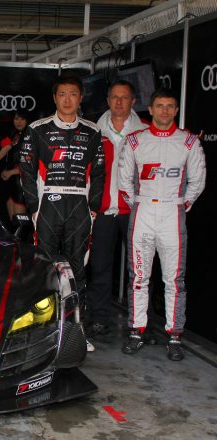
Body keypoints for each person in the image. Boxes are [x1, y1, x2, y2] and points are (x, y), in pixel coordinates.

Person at [118, 88, 205, 361]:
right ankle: (136, 331)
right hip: (143, 212)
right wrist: (139, 204)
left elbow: (198, 181)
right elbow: (124, 181)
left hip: (172, 213)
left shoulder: (189, 141)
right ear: (151, 109)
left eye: (169, 106)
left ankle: (174, 335)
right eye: (160, 106)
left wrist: (181, 204)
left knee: (174, 279)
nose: (164, 111)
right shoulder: (135, 141)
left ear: (176, 110)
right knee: (138, 277)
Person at [19, 74, 105, 297]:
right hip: (47, 203)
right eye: (62, 94)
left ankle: (75, 314)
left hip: (80, 205)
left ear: (80, 98)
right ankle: (44, 310)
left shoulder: (93, 131)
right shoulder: (37, 129)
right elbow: (26, 171)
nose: (67, 100)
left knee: (78, 264)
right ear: (55, 98)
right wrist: (34, 208)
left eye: (73, 94)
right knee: (44, 262)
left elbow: (98, 173)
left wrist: (94, 207)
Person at [85, 80, 149, 343]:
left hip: (136, 211)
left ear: (133, 101)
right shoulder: (92, 131)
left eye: (125, 98)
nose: (119, 102)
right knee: (100, 268)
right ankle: (100, 319)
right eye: (114, 97)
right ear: (108, 100)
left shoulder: (145, 131)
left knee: (140, 270)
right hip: (104, 211)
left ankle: (140, 324)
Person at [0, 110, 29, 221]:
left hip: (22, 182)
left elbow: (30, 163)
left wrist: (11, 172)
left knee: (20, 222)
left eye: (22, 119)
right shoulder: (13, 134)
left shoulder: (30, 136)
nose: (19, 122)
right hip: (11, 181)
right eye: (16, 119)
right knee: (13, 221)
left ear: (27, 120)